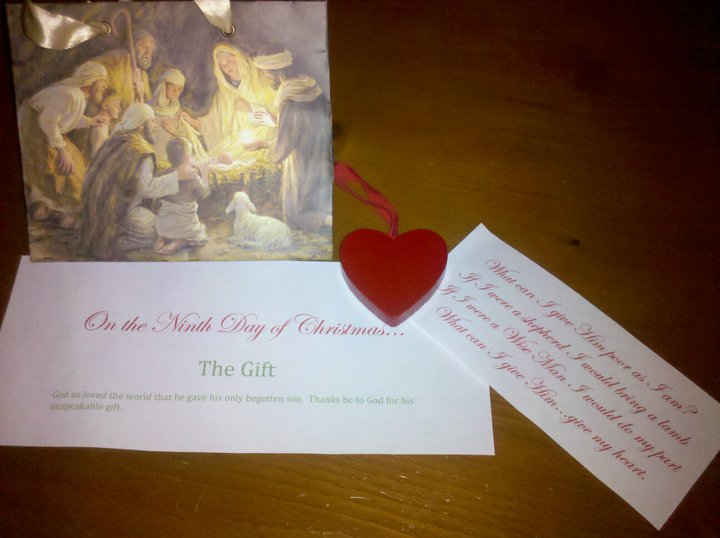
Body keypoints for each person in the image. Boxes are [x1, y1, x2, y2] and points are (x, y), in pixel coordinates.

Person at [80, 103, 196, 260]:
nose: (155, 126)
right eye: (152, 121)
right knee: (167, 230)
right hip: (126, 210)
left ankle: (111, 238)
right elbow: (147, 188)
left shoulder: (119, 140)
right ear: (141, 125)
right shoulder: (140, 150)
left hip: (106, 210)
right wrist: (177, 177)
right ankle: (115, 243)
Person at [17, 61, 109, 229]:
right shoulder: (70, 95)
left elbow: (67, 119)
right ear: (91, 80)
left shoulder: (76, 96)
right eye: (102, 84)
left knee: (73, 166)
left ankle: (48, 208)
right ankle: (61, 211)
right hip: (36, 132)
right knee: (66, 167)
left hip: (48, 131)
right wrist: (62, 150)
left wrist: (90, 121)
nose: (104, 88)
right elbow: (47, 121)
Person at [251, 49, 332, 233]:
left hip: (300, 155)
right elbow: (304, 123)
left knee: (298, 207)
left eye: (265, 73)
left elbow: (287, 140)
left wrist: (263, 145)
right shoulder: (307, 83)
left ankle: (333, 222)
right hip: (319, 148)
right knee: (314, 196)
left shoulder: (288, 96)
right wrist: (275, 120)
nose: (265, 77)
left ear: (274, 71)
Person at [182, 43, 277, 161]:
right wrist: (192, 121)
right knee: (218, 158)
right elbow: (214, 122)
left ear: (238, 58)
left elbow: (277, 113)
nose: (227, 67)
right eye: (222, 65)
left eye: (229, 61)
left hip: (262, 141)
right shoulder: (223, 94)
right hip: (237, 144)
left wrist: (251, 107)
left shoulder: (262, 80)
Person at [154, 137, 210, 254]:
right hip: (183, 225)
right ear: (186, 157)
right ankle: (179, 242)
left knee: (167, 215)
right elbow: (204, 195)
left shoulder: (163, 174)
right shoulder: (192, 176)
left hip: (164, 225)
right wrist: (205, 174)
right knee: (199, 233)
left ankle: (161, 239)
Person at [148, 68, 206, 168]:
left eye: (179, 89)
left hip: (171, 163)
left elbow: (190, 142)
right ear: (164, 85)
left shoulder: (178, 111)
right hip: (152, 160)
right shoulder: (148, 108)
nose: (176, 91)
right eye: (172, 86)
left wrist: (176, 132)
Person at [92, 29, 155, 108]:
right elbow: (91, 69)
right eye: (144, 47)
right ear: (133, 46)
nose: (148, 52)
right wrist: (130, 82)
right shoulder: (116, 58)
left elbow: (145, 105)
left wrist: (140, 95)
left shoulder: (144, 75)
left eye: (151, 49)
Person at [87, 89, 122, 159]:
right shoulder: (100, 128)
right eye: (116, 105)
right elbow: (96, 158)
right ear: (105, 106)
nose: (120, 109)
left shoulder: (106, 125)